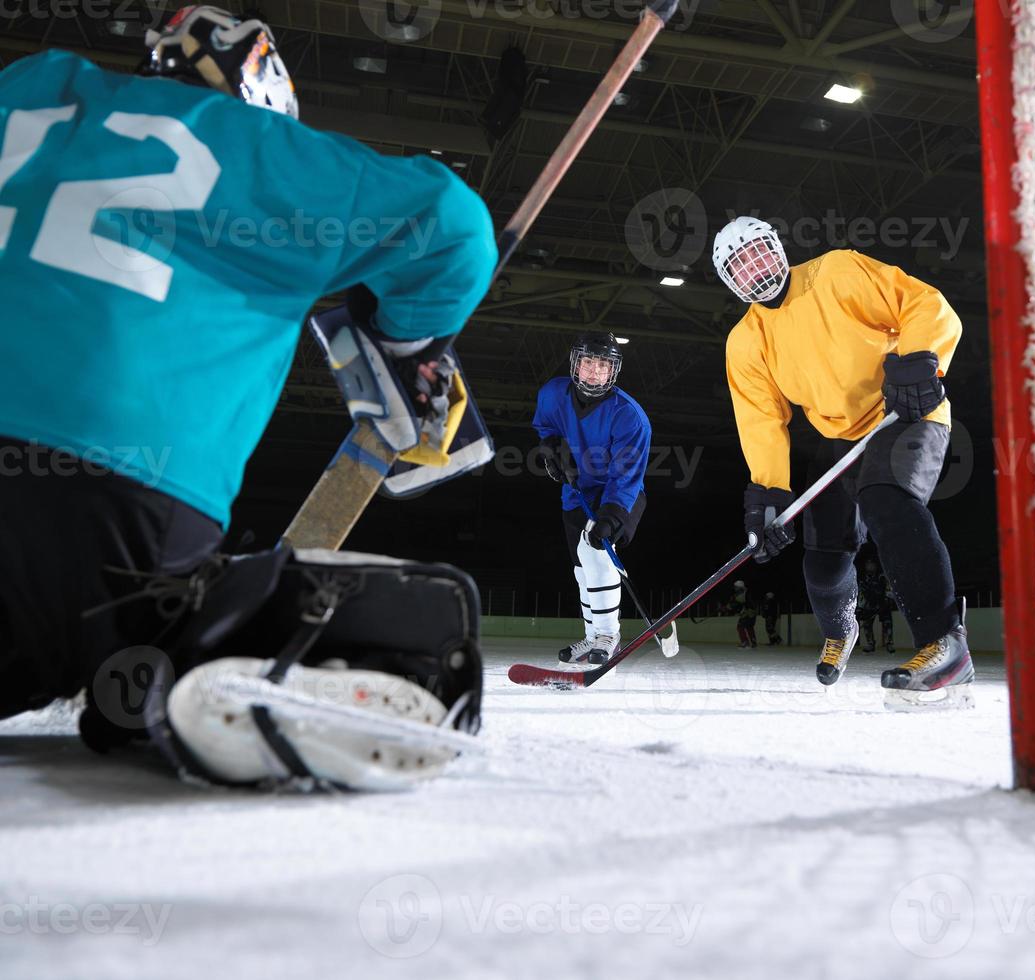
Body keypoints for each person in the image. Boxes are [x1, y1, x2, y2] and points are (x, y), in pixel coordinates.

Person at [0, 7, 496, 786]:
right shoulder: (257, 147)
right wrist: (406, 345)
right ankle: (212, 657)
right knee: (160, 625)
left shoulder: (28, 91)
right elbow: (455, 225)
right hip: (122, 514)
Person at [713, 216, 973, 704]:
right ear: (733, 283)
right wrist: (767, 493)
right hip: (840, 435)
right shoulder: (746, 341)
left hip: (905, 412)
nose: (755, 267)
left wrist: (920, 360)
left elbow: (925, 303)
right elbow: (761, 420)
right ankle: (840, 629)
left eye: (758, 252)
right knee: (823, 555)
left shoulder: (836, 272)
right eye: (739, 265)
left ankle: (945, 644)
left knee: (886, 498)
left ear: (776, 247)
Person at [534, 333, 651, 665]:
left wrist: (612, 516)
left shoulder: (630, 416)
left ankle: (608, 636)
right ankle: (591, 638)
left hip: (620, 496)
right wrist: (551, 450)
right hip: (576, 493)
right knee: (582, 570)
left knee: (596, 551)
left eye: (603, 365)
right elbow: (545, 426)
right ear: (576, 364)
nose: (595, 371)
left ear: (613, 371)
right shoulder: (553, 393)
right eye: (588, 362)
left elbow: (627, 475)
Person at [856, 558, 895, 654]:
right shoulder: (863, 578)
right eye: (868, 564)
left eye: (872, 564)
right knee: (867, 624)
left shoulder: (882, 576)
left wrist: (887, 600)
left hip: (883, 603)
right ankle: (870, 644)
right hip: (869, 605)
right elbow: (861, 593)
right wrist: (860, 607)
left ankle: (889, 643)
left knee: (887, 623)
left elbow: (888, 589)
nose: (870, 566)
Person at [720, 580, 758, 648]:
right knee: (749, 627)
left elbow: (735, 604)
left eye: (736, 587)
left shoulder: (742, 593)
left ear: (740, 587)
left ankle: (745, 642)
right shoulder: (746, 592)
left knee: (740, 627)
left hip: (748, 612)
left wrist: (726, 608)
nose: (735, 589)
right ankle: (753, 641)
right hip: (752, 612)